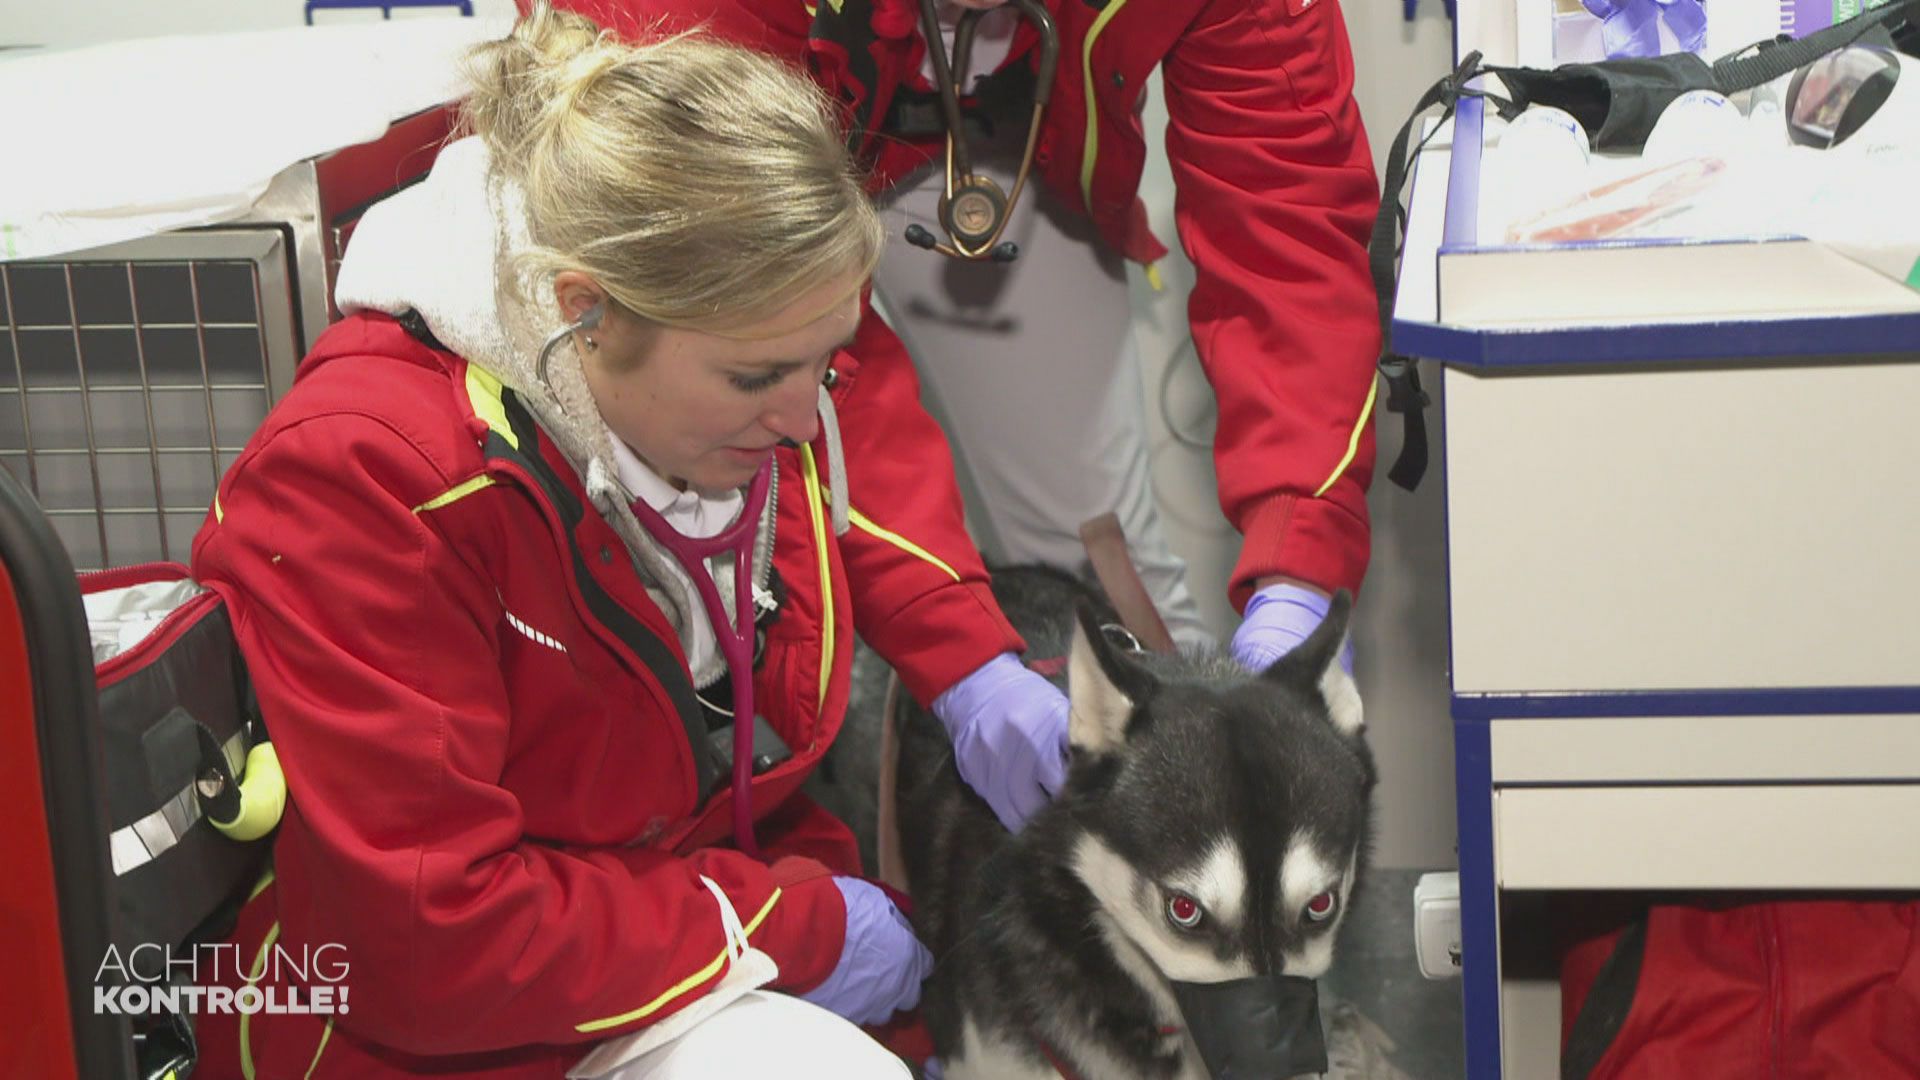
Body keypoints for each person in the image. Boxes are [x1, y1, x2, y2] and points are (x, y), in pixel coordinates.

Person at [186, 7, 1068, 1076]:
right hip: (430, 1038)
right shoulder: (368, 485)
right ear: (584, 312)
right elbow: (428, 940)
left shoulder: (711, 410)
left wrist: (974, 679)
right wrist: (795, 932)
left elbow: (734, 795)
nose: (804, 423)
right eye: (757, 378)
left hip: (653, 956)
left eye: (826, 365)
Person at [549, 0, 1382, 672]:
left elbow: (1288, 231)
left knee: (1095, 554)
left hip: (1019, 145)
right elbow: (773, 378)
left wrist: (1301, 559)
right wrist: (959, 659)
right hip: (745, 126)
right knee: (725, 505)